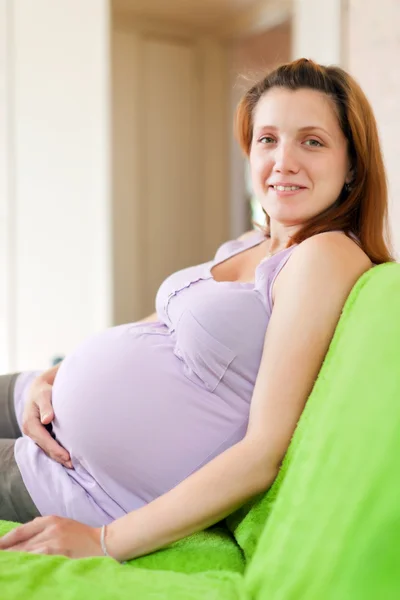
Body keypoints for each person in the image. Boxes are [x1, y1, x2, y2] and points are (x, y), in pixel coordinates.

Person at [0, 58, 393, 561]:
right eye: (267, 139)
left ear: (353, 164)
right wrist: (53, 380)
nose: (283, 161)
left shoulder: (324, 256)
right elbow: (155, 325)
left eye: (311, 141)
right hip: (46, 407)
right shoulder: (249, 243)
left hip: (78, 483)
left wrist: (105, 541)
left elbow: (261, 454)